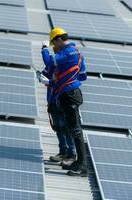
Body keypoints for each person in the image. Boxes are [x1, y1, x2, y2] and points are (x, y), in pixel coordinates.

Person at [37, 27, 88, 176]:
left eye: (54, 43)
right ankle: (78, 163)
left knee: (75, 130)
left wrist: (44, 48)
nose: (54, 47)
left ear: (59, 39)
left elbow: (49, 61)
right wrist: (62, 78)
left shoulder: (68, 51)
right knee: (74, 129)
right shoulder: (77, 54)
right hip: (70, 93)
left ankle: (82, 165)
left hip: (69, 94)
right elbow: (83, 76)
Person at [37, 53, 76, 165]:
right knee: (58, 128)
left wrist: (49, 82)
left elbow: (59, 83)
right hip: (52, 101)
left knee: (66, 129)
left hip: (62, 102)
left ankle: (71, 154)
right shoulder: (52, 66)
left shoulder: (65, 68)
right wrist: (41, 77)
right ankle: (63, 151)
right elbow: (46, 67)